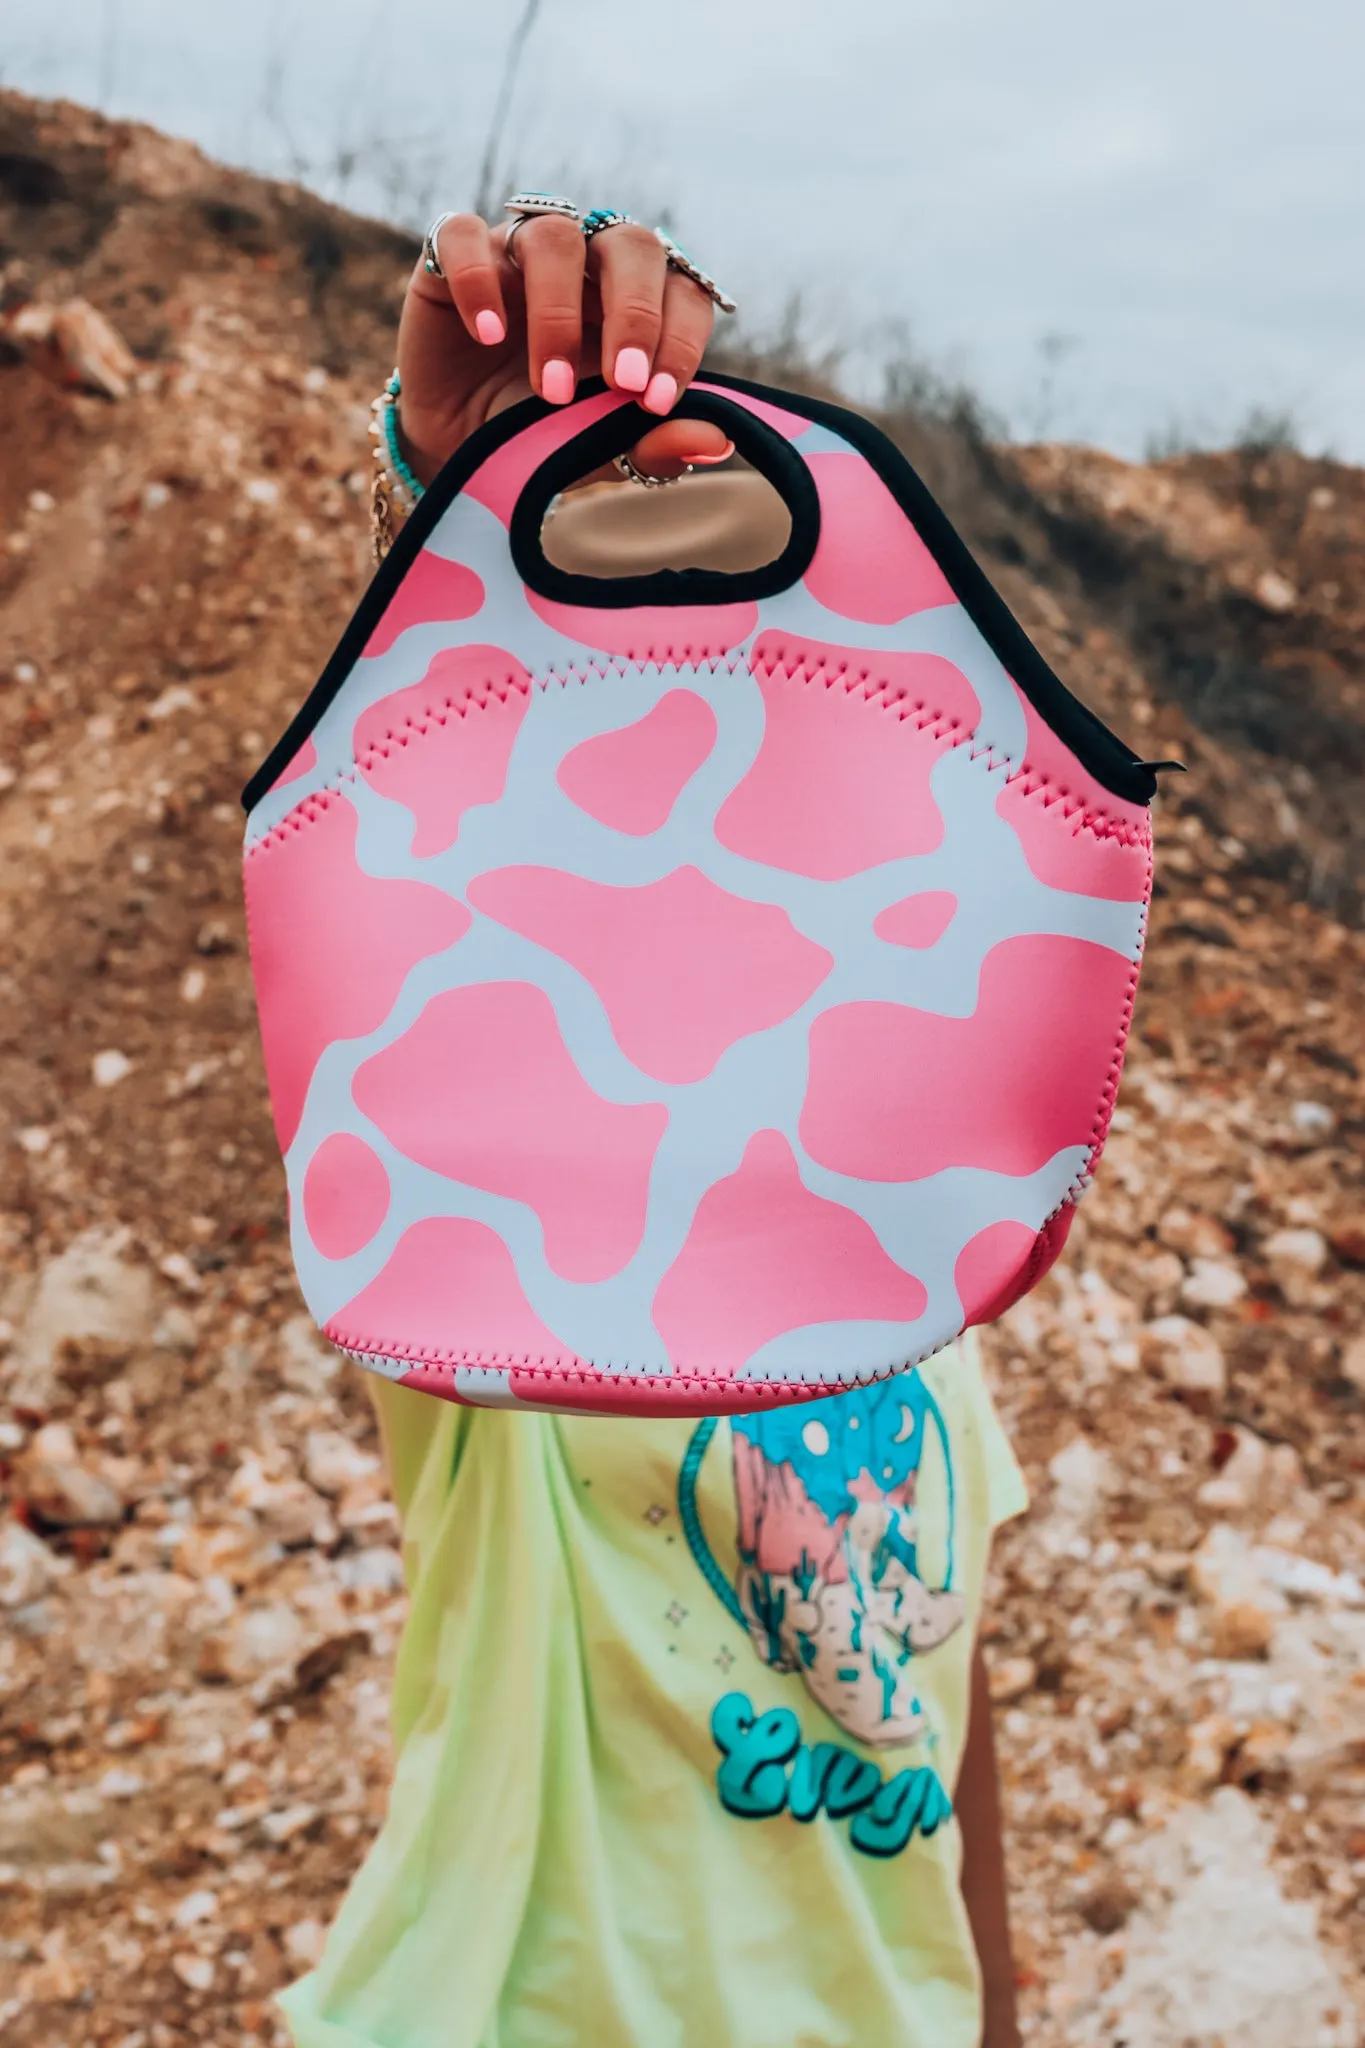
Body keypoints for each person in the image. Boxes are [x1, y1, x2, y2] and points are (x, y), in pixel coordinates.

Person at [277, 200, 1028, 2048]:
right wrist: (448, 486)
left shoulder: (921, 1263)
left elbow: (945, 1715)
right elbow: (409, 855)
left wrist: (1000, 2019)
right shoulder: (499, 1212)